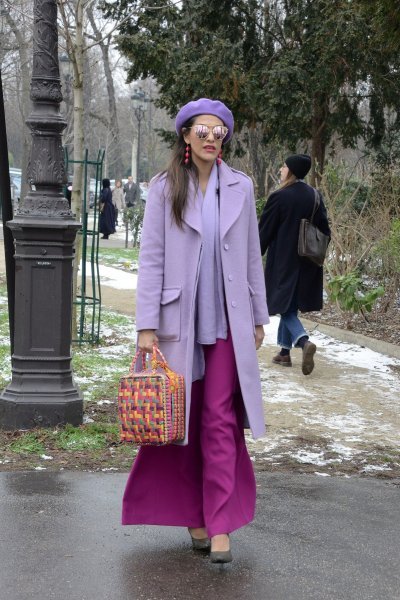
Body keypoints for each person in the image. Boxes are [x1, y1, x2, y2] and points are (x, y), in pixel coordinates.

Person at [122, 98, 269, 564]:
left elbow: (251, 258)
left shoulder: (240, 188)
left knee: (220, 419)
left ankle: (221, 522)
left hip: (228, 322)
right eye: (202, 130)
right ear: (186, 136)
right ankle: (196, 517)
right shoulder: (166, 189)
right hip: (175, 323)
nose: (211, 138)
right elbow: (151, 260)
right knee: (182, 421)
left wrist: (259, 316)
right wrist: (147, 326)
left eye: (219, 131)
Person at [259, 154, 331, 375]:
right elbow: (325, 231)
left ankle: (303, 341)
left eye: (283, 167)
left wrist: (253, 255)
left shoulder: (279, 197)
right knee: (289, 304)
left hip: (283, 261)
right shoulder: (315, 196)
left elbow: (264, 232)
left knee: (284, 306)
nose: (281, 170)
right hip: (308, 260)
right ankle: (284, 353)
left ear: (290, 171)